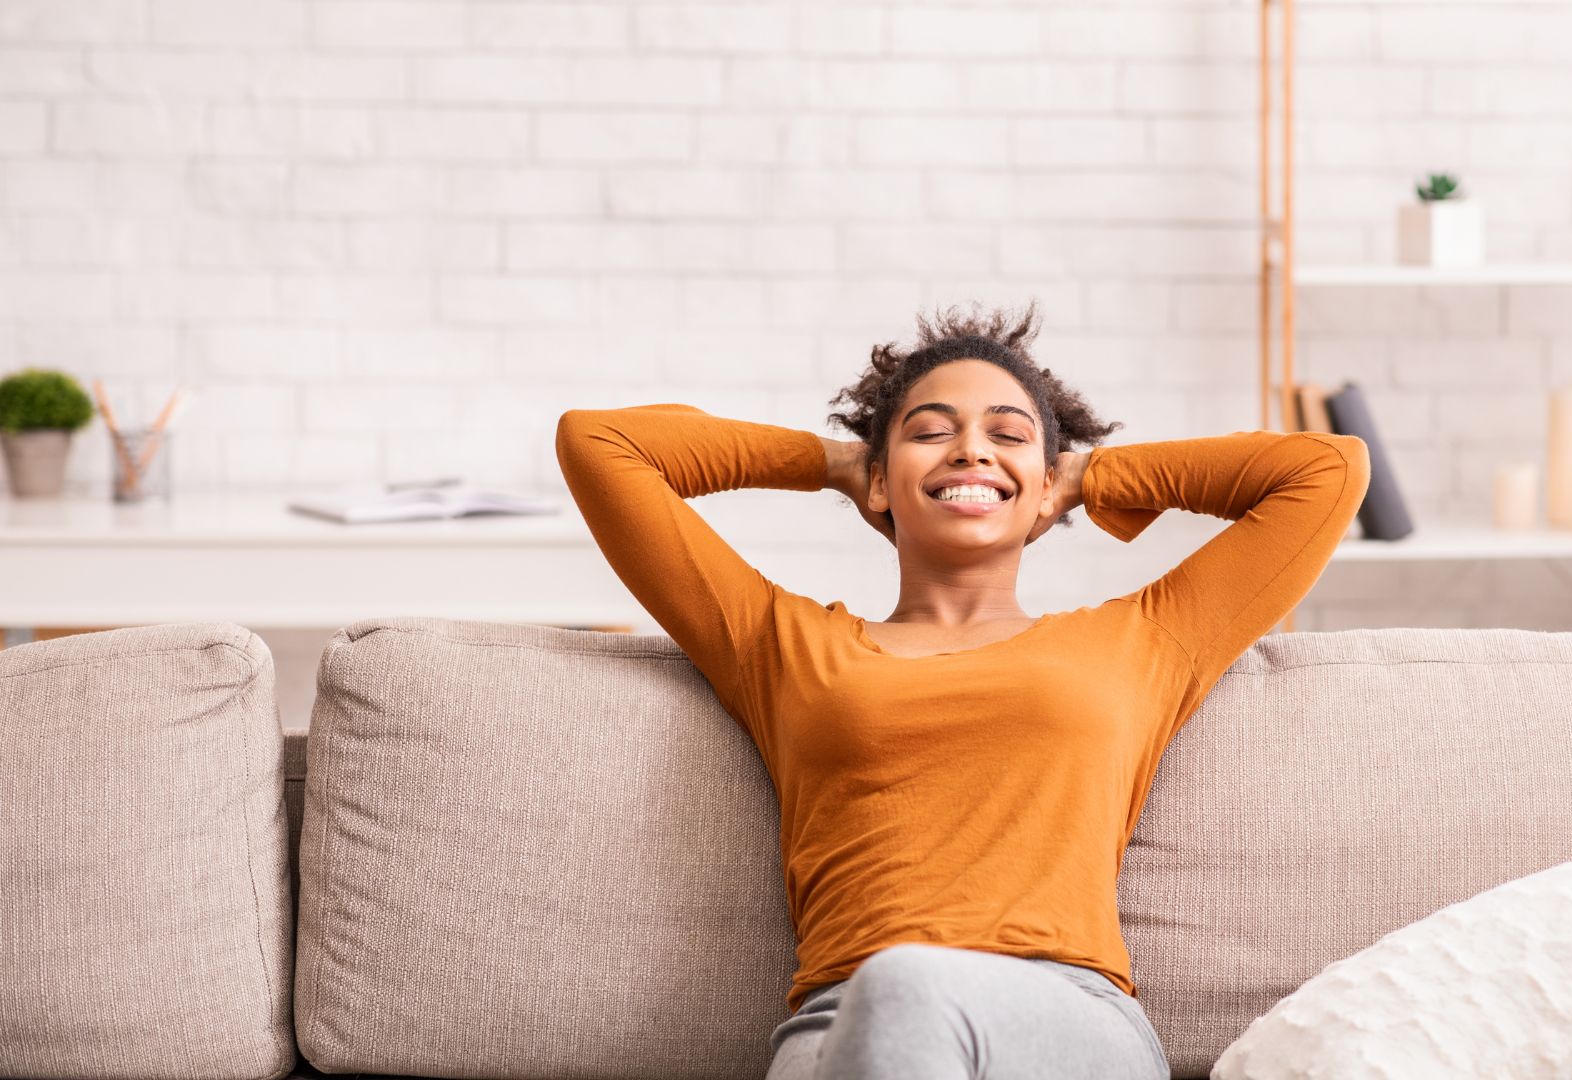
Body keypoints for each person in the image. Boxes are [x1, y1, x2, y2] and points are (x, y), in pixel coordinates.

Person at [554, 300, 1371, 1080]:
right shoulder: (782, 646)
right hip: (839, 1025)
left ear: (1046, 486)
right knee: (897, 990)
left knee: (907, 984)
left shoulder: (1141, 641)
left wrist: (1084, 475)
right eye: (931, 433)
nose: (972, 451)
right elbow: (601, 445)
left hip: (1064, 1018)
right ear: (881, 482)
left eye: (1006, 436)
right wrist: (839, 461)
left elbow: (1327, 469)